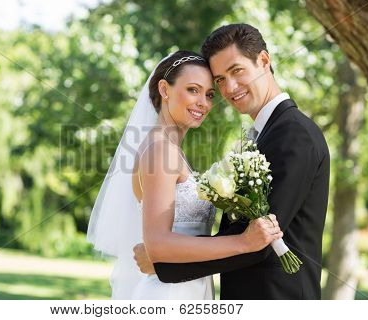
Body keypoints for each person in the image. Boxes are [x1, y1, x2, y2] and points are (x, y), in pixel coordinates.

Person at [134, 24, 330, 300]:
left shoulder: (293, 134)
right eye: (221, 80)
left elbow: (261, 241)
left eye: (236, 71)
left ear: (263, 61)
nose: (230, 88)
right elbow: (246, 237)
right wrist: (162, 253)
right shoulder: (265, 134)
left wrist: (164, 263)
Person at [88, 50, 282, 299]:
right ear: (164, 89)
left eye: (209, 94)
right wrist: (244, 242)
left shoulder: (170, 150)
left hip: (189, 287)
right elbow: (158, 245)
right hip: (170, 293)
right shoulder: (160, 151)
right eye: (193, 89)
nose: (204, 102)